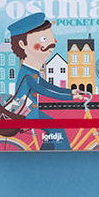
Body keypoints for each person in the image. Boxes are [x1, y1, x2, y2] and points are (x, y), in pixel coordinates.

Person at [8, 12, 83, 150]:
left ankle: (47, 150)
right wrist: (71, 98)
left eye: (51, 38)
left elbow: (48, 86)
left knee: (52, 131)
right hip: (26, 114)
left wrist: (71, 91)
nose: (52, 43)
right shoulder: (27, 74)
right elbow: (44, 91)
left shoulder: (32, 72)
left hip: (32, 112)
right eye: (43, 38)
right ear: (22, 44)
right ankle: (64, 154)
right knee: (57, 129)